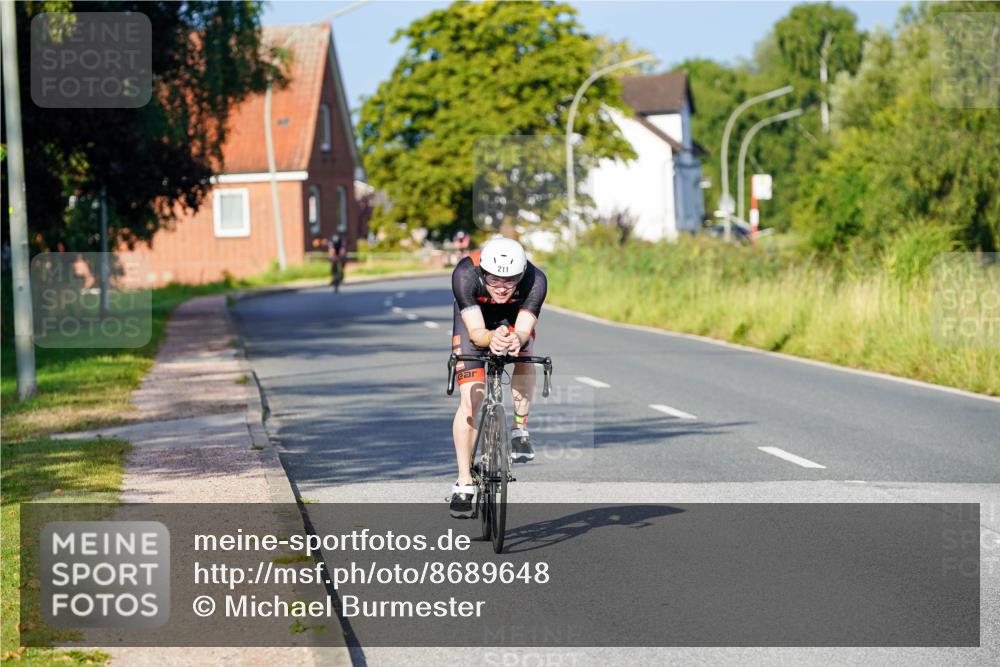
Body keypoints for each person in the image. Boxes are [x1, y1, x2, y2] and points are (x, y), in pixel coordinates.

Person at [448, 237, 547, 518]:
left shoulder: (535, 280)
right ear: (482, 273)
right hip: (476, 322)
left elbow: (525, 329)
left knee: (525, 356)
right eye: (494, 280)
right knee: (472, 397)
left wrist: (516, 338)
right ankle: (464, 480)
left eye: (510, 281)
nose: (501, 288)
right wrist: (491, 337)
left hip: (514, 320)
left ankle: (520, 428)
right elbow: (477, 332)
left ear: (521, 274)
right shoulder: (465, 274)